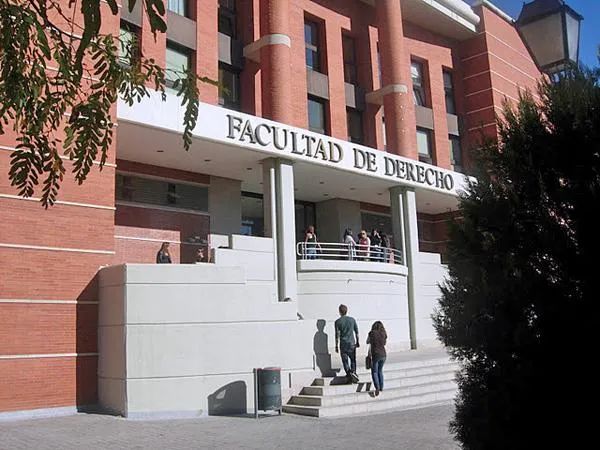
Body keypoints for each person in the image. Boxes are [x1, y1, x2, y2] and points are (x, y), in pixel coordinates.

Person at [335, 304, 360, 384]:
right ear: (346, 311)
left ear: (339, 311)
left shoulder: (337, 322)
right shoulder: (352, 320)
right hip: (352, 343)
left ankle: (349, 375)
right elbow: (356, 332)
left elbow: (337, 335)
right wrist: (358, 341)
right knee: (353, 359)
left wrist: (336, 345)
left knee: (345, 361)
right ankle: (354, 372)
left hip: (343, 344)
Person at [367, 321, 387, 396]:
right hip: (384, 354)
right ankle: (381, 387)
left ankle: (377, 388)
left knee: (374, 371)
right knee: (380, 371)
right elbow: (384, 343)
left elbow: (367, 341)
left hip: (376, 354)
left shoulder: (371, 333)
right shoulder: (383, 333)